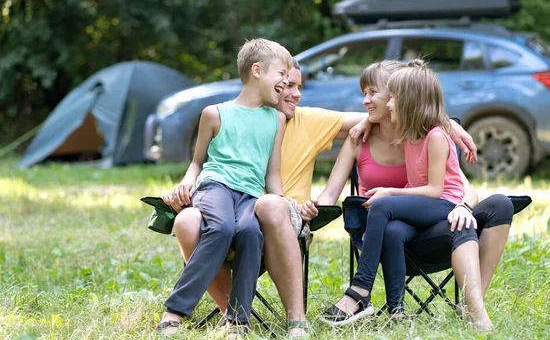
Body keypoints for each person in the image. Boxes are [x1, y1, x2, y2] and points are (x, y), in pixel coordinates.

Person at [163, 59, 479, 337]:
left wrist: (448, 124)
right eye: (286, 84)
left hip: (280, 214)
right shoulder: (235, 117)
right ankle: (231, 314)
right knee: (187, 220)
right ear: (263, 79)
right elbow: (206, 164)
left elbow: (400, 112)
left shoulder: (308, 120)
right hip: (232, 207)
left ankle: (295, 318)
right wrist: (185, 188)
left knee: (270, 204)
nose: (294, 93)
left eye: (298, 86)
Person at [317, 60, 504, 332]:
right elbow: (329, 193)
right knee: (390, 224)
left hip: (433, 225)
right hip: (388, 233)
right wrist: (310, 210)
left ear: (400, 97)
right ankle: (396, 311)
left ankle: (360, 290)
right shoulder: (363, 136)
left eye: (375, 93)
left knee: (494, 206)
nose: (366, 101)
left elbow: (455, 188)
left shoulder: (426, 135)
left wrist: (451, 126)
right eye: (364, 93)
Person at [155, 38, 291, 338]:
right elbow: (197, 163)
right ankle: (174, 311)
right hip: (216, 185)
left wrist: (283, 206)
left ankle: (238, 320)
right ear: (257, 70)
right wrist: (188, 181)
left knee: (250, 232)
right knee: (222, 228)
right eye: (281, 73)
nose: (286, 80)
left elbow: (272, 173)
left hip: (251, 194)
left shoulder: (276, 120)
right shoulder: (214, 113)